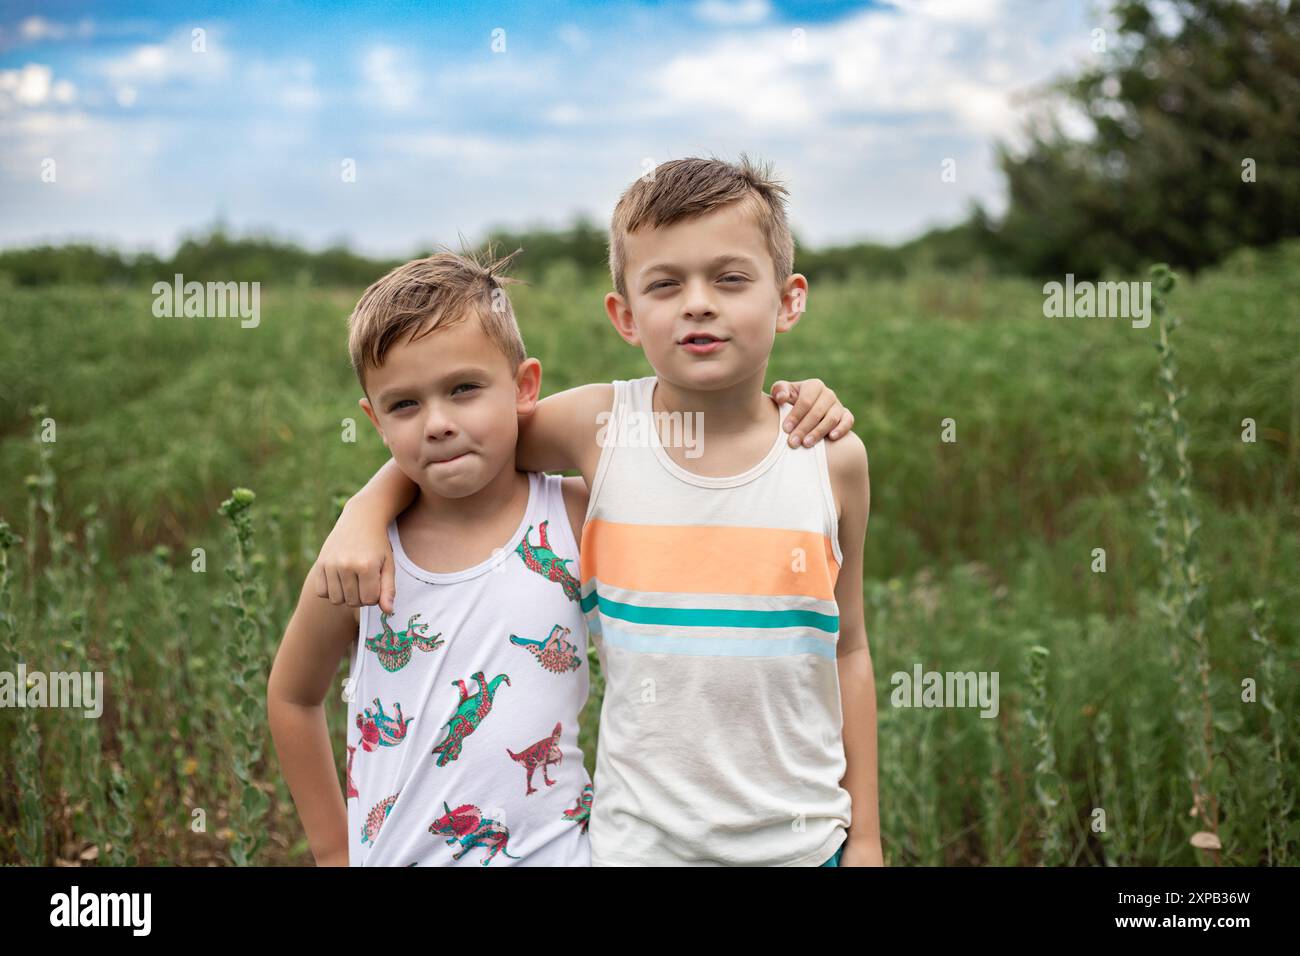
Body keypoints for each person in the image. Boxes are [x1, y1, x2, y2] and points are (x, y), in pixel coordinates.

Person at [312, 154, 877, 866]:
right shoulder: (598, 429)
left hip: (807, 846)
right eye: (665, 284)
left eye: (730, 278)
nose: (698, 303)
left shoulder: (831, 460)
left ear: (788, 300)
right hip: (637, 850)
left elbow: (848, 649)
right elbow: (461, 444)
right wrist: (364, 509)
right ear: (626, 316)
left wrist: (870, 840)